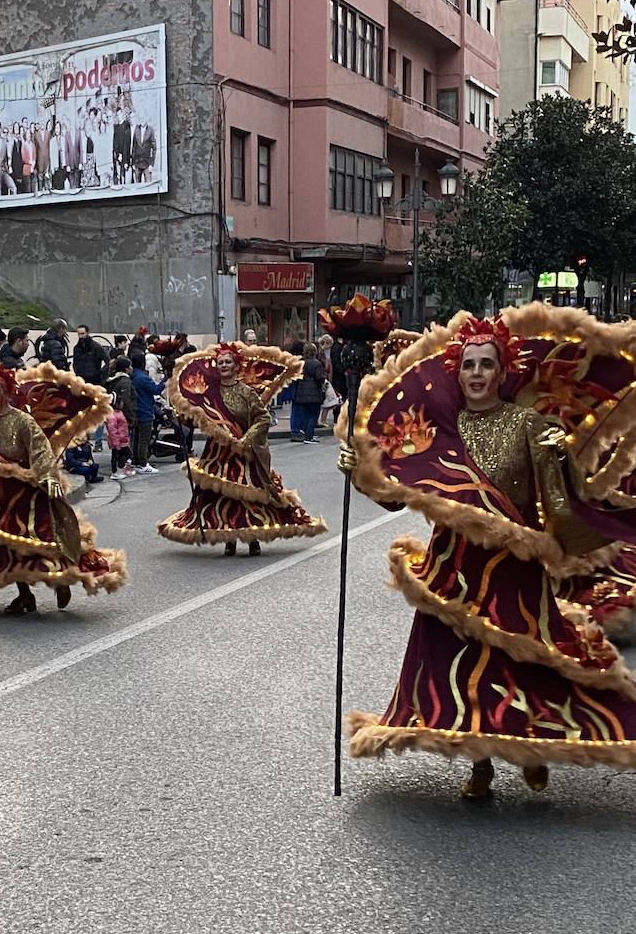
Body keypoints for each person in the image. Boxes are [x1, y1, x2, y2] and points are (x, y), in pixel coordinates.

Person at [341, 309, 636, 798]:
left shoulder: (526, 423)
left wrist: (560, 459)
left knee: (523, 664)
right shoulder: (436, 429)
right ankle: (479, 763)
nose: (476, 374)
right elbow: (398, 496)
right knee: (460, 664)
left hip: (513, 569)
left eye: (486, 365)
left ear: (503, 372)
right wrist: (360, 469)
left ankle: (532, 748)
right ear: (457, 371)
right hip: (452, 565)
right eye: (469, 365)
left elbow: (556, 501)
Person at [0, 363, 127, 613]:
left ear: (5, 392)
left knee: (42, 540)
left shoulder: (23, 421)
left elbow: (41, 450)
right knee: (6, 544)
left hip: (31, 491)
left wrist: (49, 478)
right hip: (4, 491)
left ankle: (62, 578)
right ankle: (25, 595)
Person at [158, 341, 327, 555]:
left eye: (228, 362)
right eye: (220, 362)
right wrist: (182, 415)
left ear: (236, 366)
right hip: (218, 452)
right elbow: (199, 419)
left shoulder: (246, 392)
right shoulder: (208, 393)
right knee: (222, 497)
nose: (224, 365)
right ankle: (229, 538)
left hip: (244, 452)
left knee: (248, 497)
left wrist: (246, 440)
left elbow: (263, 418)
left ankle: (252, 538)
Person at [130, 353, 165, 475]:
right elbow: (156, 390)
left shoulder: (131, 376)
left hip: (135, 412)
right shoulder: (143, 378)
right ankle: (143, 464)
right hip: (145, 411)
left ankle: (135, 461)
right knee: (143, 441)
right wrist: (165, 380)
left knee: (135, 439)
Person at [289, 341, 326, 443]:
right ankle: (309, 436)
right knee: (313, 414)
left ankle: (306, 434)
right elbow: (319, 377)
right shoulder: (317, 363)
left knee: (306, 414)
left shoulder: (300, 363)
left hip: (301, 391)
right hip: (314, 392)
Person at [106, 397, 134, 479]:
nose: (122, 404)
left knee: (126, 454)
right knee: (116, 456)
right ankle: (115, 472)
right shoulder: (112, 416)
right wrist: (116, 443)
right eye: (121, 402)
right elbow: (112, 431)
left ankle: (121, 468)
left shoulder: (119, 412)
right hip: (118, 441)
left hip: (123, 440)